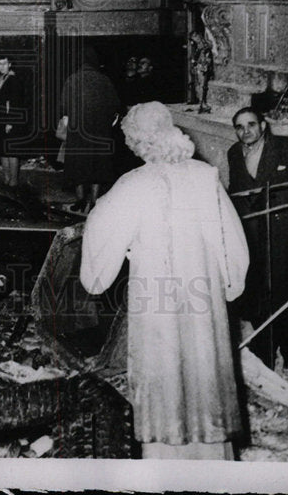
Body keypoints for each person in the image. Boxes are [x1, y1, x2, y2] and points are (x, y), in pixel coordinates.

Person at [81, 101, 249, 460]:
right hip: (203, 304)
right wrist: (232, 281)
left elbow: (99, 231)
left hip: (157, 302)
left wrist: (98, 274)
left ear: (139, 142)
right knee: (205, 371)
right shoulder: (206, 177)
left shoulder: (134, 184)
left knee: (164, 376)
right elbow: (233, 241)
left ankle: (166, 466)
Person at [227, 107, 288, 370]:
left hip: (285, 241)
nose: (246, 131)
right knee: (257, 299)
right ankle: (264, 356)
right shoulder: (234, 154)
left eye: (251, 124)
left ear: (263, 125)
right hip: (252, 239)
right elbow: (235, 193)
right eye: (239, 126)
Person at [58, 46, 122, 214]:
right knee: (98, 164)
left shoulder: (72, 79)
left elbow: (64, 106)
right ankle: (93, 201)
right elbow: (115, 106)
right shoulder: (104, 80)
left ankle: (80, 200)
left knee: (78, 164)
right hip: (99, 130)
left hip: (78, 130)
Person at [0, 55, 26, 187]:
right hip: (1, 119)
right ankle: (6, 180)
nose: (2, 67)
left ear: (10, 64)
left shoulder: (13, 80)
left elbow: (15, 103)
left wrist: (10, 122)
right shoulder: (1, 79)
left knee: (11, 152)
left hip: (10, 121)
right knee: (2, 151)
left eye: (4, 64)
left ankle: (13, 182)